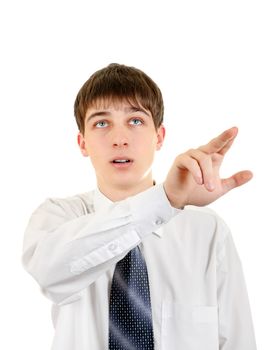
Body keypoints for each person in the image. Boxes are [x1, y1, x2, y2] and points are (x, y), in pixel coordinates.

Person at [22, 63, 257, 350]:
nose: (119, 139)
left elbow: (237, 341)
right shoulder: (58, 217)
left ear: (159, 137)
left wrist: (168, 202)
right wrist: (165, 201)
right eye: (101, 123)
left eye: (135, 121)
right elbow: (50, 272)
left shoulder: (208, 231)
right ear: (82, 143)